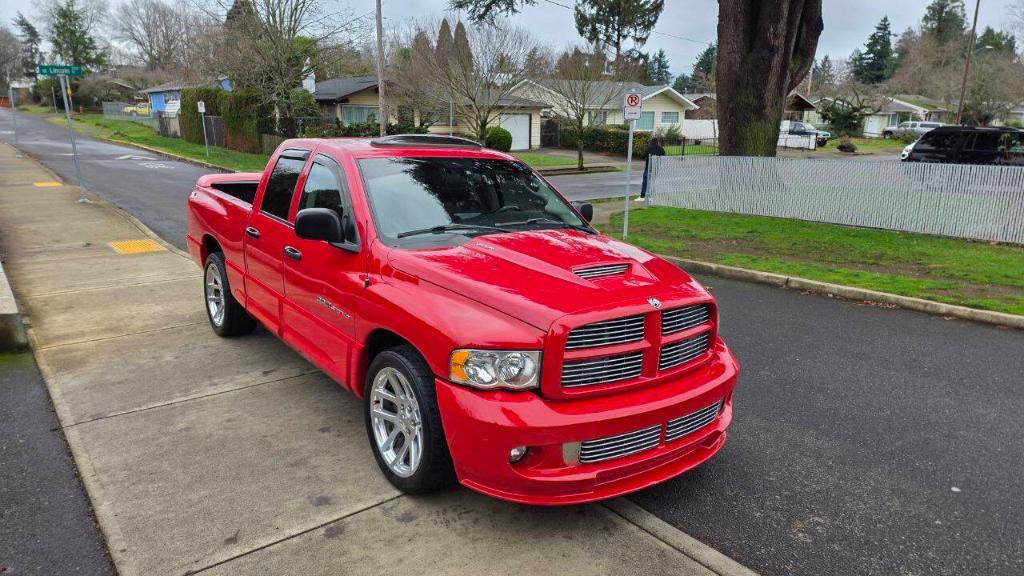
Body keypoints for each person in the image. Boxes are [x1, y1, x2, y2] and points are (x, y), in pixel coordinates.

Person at [637, 136, 665, 201]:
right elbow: (663, 156)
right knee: (653, 182)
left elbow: (642, 156)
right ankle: (651, 197)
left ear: (651, 142)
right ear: (657, 142)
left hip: (648, 168)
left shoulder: (648, 148)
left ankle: (642, 196)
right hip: (656, 168)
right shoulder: (661, 149)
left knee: (645, 182)